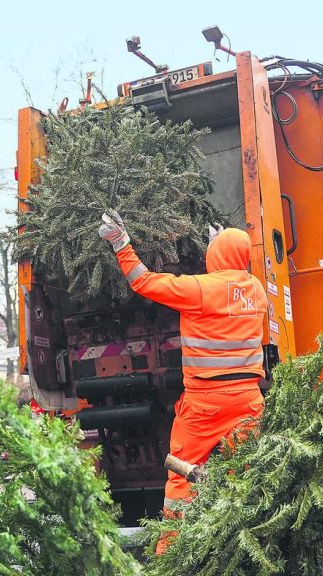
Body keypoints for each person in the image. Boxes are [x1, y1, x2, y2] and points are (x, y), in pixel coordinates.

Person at [98, 211, 267, 554]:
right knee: (248, 473)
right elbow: (235, 291)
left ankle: (171, 553)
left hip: (206, 403)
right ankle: (251, 546)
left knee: (182, 474)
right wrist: (221, 245)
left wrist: (121, 243)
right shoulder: (257, 292)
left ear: (215, 256)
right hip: (248, 400)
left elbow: (142, 281)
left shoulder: (200, 290)